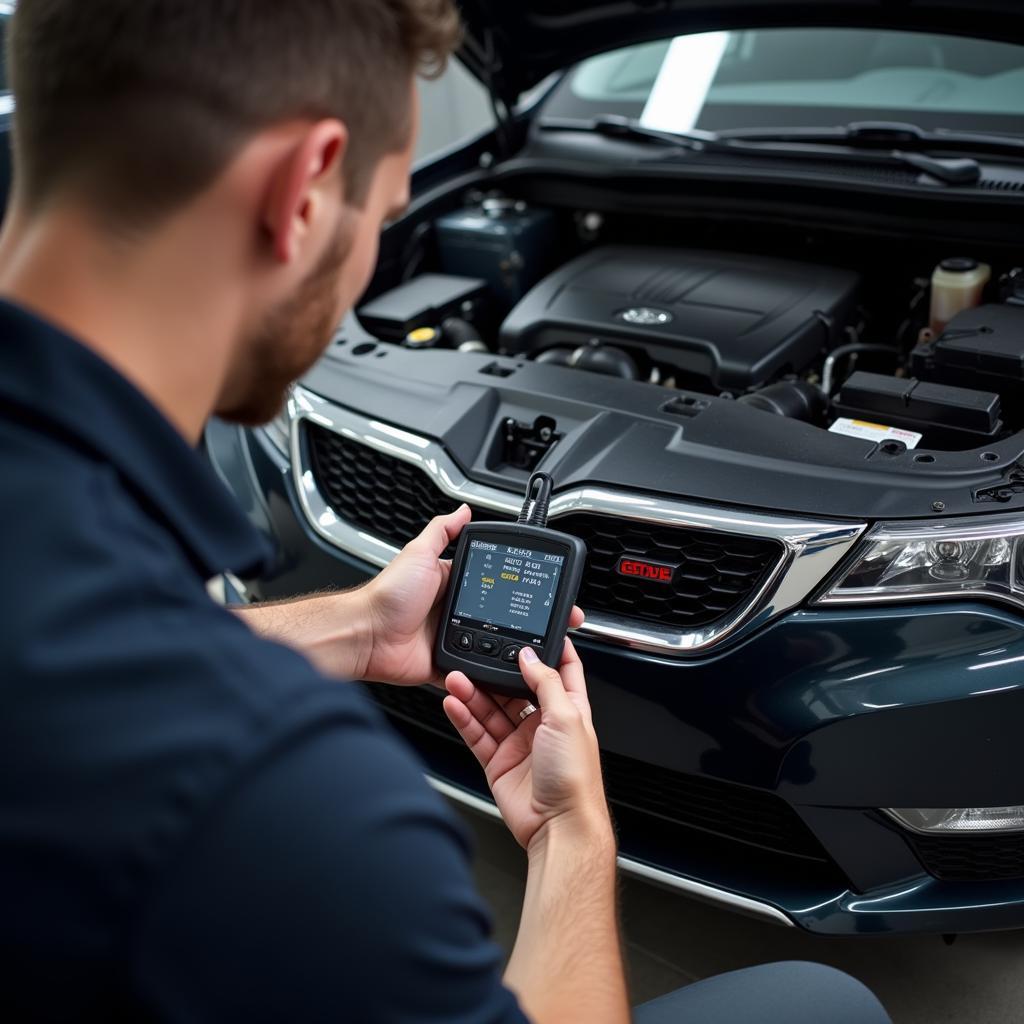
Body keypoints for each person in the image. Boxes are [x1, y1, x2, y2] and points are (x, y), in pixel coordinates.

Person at [0, 2, 892, 1021]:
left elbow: (91, 665)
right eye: (382, 219)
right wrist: (571, 837)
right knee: (822, 1003)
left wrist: (357, 621)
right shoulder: (279, 798)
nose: (376, 260)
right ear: (303, 190)